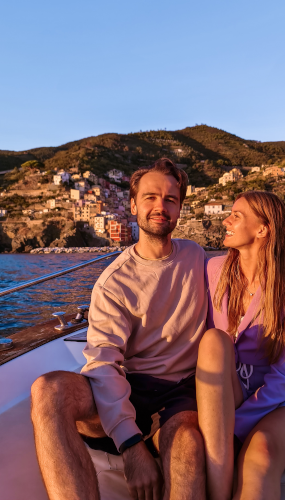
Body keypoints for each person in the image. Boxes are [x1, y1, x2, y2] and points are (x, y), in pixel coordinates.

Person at [31, 158, 208, 500]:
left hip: (179, 392)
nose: (161, 206)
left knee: (187, 442)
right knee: (48, 390)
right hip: (127, 385)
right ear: (133, 205)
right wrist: (130, 447)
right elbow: (104, 365)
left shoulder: (196, 257)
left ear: (181, 208)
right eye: (151, 197)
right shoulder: (114, 283)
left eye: (171, 199)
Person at [196, 191, 285, 500]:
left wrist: (233, 429)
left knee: (260, 456)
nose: (226, 220)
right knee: (213, 340)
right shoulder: (213, 271)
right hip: (224, 390)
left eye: (236, 215)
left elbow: (284, 376)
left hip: (276, 401)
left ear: (262, 229)